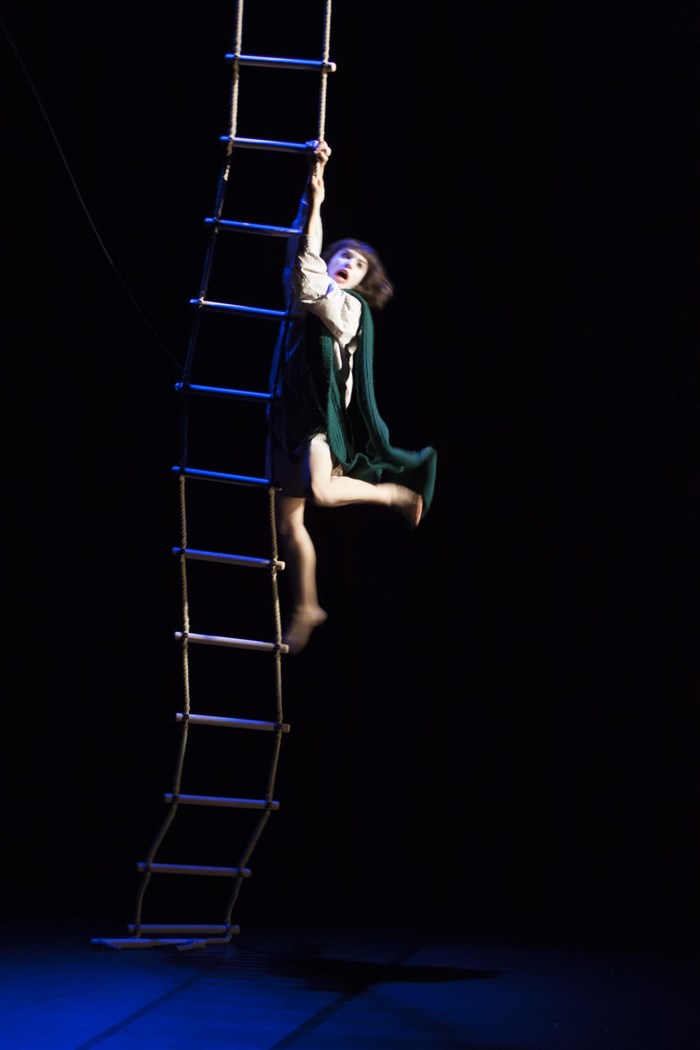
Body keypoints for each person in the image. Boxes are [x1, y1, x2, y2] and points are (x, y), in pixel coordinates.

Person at [266, 140, 437, 654]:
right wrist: (311, 193)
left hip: (320, 418)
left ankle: (392, 495)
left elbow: (311, 275)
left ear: (362, 282)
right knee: (288, 524)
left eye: (359, 264)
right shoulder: (303, 293)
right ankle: (307, 605)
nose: (349, 263)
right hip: (286, 417)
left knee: (321, 493)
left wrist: (318, 200)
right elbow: (301, 251)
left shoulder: (347, 308)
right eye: (344, 255)